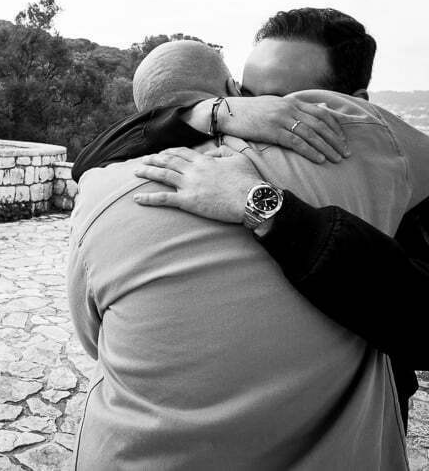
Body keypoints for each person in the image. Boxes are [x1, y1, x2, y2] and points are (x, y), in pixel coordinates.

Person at [68, 40, 429, 469]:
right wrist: (207, 114)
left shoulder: (103, 190)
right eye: (246, 96)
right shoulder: (375, 147)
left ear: (344, 103)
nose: (259, 113)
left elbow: (93, 338)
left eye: (284, 101)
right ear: (229, 89)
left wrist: (259, 200)